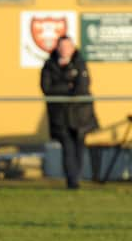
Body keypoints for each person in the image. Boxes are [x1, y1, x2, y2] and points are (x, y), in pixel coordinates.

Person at [40, 35, 98, 189]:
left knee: (79, 146)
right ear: (57, 48)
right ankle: (72, 181)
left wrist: (61, 85)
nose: (65, 50)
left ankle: (75, 179)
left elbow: (82, 88)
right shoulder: (49, 64)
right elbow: (46, 89)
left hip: (80, 114)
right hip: (60, 115)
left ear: (73, 48)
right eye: (62, 47)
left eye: (68, 47)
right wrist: (68, 82)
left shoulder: (80, 63)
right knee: (68, 147)